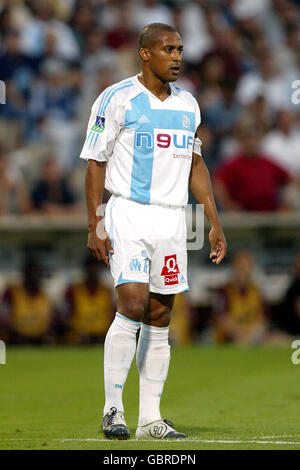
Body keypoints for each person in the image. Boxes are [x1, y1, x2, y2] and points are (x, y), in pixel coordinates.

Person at [80, 23, 226, 440]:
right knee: (132, 300)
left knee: (160, 314)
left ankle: (150, 419)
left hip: (171, 217)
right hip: (127, 211)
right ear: (146, 54)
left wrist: (214, 221)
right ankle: (112, 410)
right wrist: (95, 222)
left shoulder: (188, 105)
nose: (178, 56)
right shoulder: (116, 98)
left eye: (180, 49)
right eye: (168, 49)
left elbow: (195, 164)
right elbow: (95, 162)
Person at [213, 250, 266, 345]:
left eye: (247, 267)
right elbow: (222, 319)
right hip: (229, 341)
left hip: (253, 338)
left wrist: (253, 334)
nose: (244, 271)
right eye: (241, 267)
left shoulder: (256, 291)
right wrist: (240, 334)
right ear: (234, 267)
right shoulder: (224, 291)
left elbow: (262, 319)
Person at [63, 256, 114, 344]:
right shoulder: (73, 290)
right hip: (79, 337)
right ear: (85, 268)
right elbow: (66, 314)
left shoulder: (107, 291)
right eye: (91, 267)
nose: (93, 270)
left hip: (102, 337)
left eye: (96, 267)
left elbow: (112, 314)